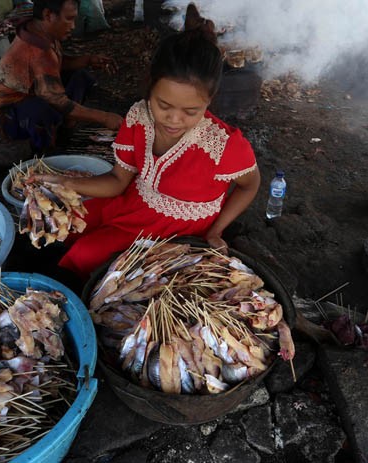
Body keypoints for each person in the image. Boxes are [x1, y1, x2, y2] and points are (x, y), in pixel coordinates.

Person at [28, 3, 260, 279]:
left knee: (85, 254)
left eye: (190, 111)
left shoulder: (223, 146)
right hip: (133, 204)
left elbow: (250, 185)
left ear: (209, 101)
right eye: (163, 105)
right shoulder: (139, 118)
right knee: (67, 222)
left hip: (173, 231)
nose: (173, 119)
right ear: (150, 86)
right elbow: (117, 181)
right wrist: (65, 183)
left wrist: (216, 230)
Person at [0, 0, 124, 151]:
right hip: (8, 117)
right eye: (69, 19)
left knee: (79, 76)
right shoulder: (36, 50)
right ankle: (46, 152)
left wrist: (88, 60)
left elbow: (56, 64)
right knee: (44, 110)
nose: (72, 26)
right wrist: (105, 117)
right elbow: (58, 101)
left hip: (33, 95)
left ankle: (66, 125)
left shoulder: (39, 30)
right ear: (48, 15)